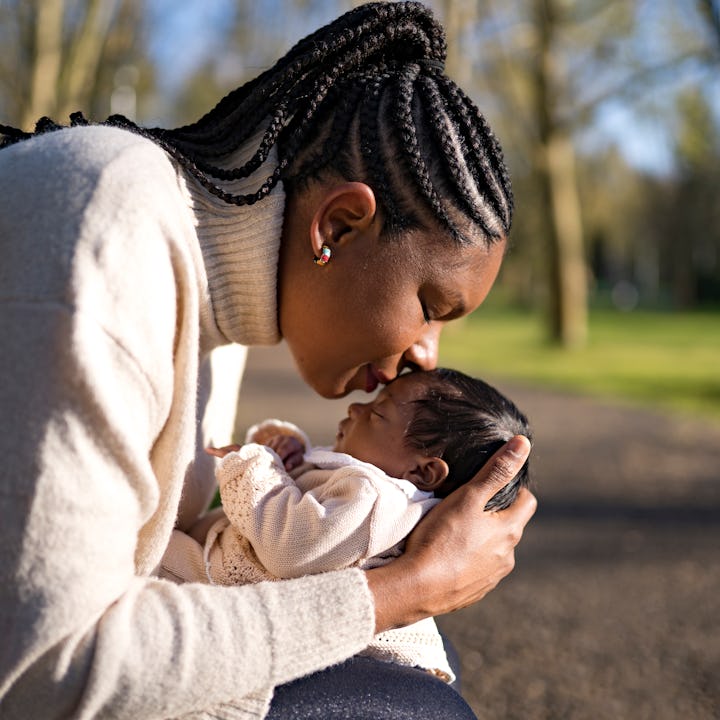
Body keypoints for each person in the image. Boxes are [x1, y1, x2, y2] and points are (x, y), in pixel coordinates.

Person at [0, 2, 536, 719]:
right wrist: (402, 589)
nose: (425, 357)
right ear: (340, 225)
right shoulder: (108, 236)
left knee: (419, 660)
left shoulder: (218, 285)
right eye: (431, 307)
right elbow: (44, 668)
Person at [162, 368, 532, 686]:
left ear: (422, 471)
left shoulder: (377, 499)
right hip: (260, 597)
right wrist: (291, 455)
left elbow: (294, 547)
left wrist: (256, 468)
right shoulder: (373, 485)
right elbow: (318, 502)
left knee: (146, 555)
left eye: (377, 414)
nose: (356, 407)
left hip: (252, 604)